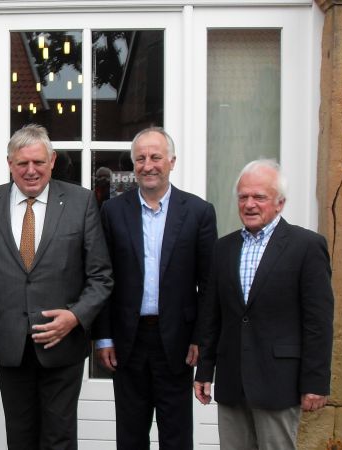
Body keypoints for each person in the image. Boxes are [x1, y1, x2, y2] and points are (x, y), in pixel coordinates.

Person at [0, 124, 113, 450]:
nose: (31, 171)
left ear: (53, 161)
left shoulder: (81, 202)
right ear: (9, 163)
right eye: (22, 163)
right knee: (19, 437)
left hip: (64, 345)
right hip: (10, 345)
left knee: (59, 439)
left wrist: (74, 317)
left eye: (38, 162)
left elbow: (101, 276)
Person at [194, 159, 334, 449]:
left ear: (280, 203)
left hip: (279, 383)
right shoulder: (223, 248)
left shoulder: (306, 247)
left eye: (259, 197)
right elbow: (212, 316)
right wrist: (205, 371)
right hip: (232, 381)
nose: (249, 204)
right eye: (243, 197)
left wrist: (316, 383)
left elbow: (318, 322)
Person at [92, 127, 217, 449]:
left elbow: (210, 284)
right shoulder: (112, 212)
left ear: (172, 162)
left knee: (176, 435)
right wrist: (104, 337)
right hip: (127, 342)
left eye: (156, 157)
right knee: (130, 436)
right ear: (133, 164)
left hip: (177, 342)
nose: (148, 165)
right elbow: (102, 278)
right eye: (141, 158)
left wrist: (200, 339)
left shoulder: (199, 213)